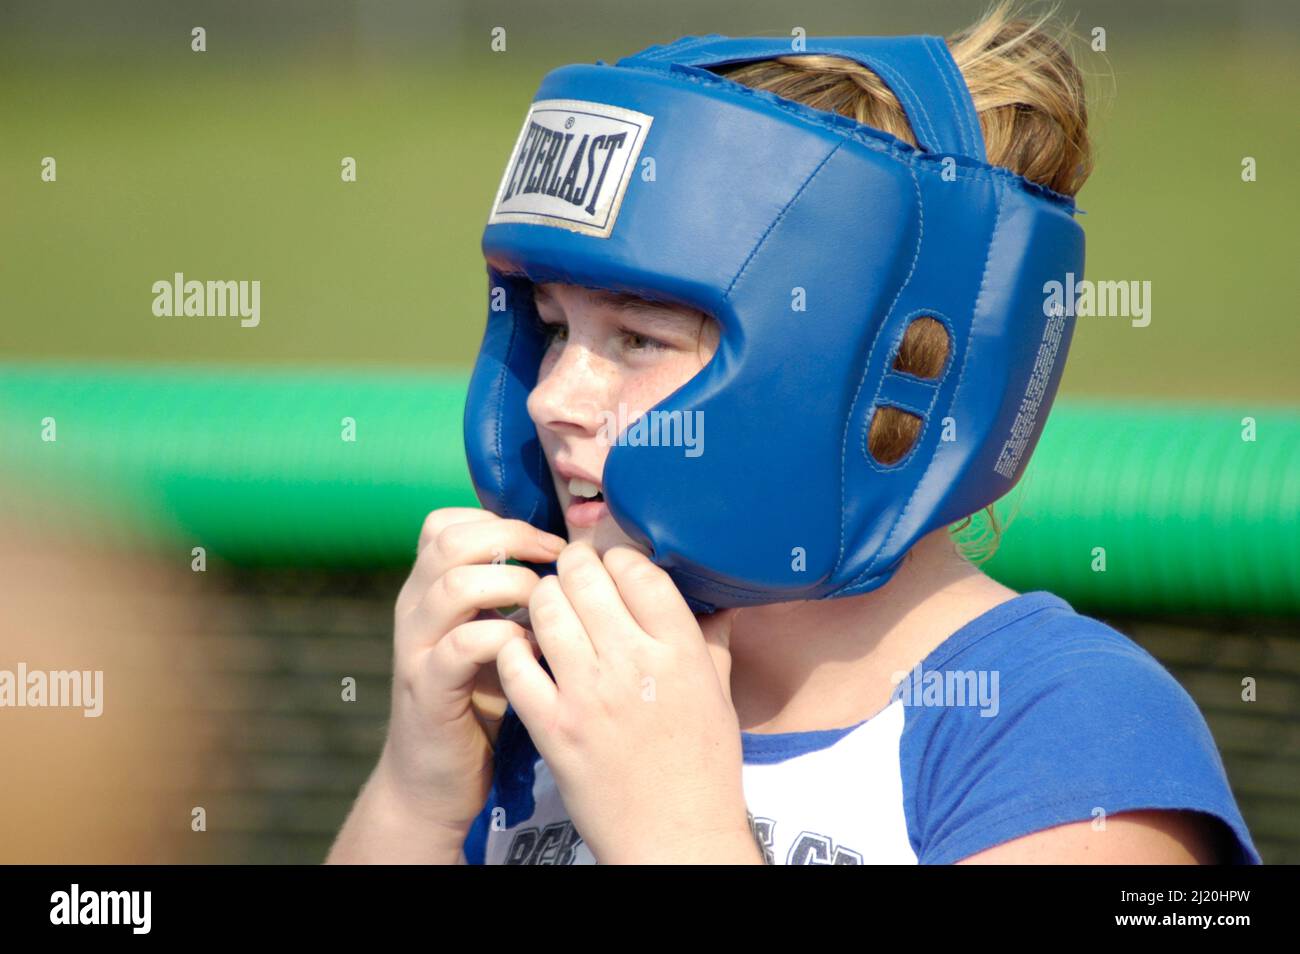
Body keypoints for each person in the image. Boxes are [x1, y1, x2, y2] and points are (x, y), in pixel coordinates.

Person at [326, 3, 1261, 865]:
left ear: (852, 366)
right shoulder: (546, 680)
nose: (551, 397)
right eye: (555, 327)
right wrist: (415, 799)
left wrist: (677, 834)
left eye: (639, 337)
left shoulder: (1063, 726)